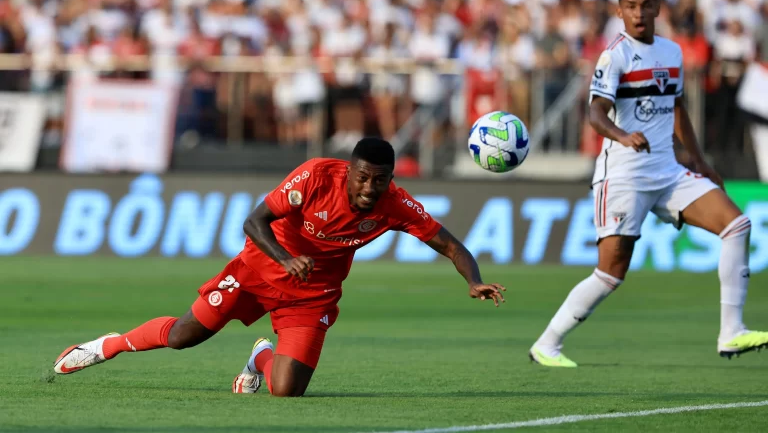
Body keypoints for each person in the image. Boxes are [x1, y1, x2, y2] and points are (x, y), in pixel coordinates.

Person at [54, 138, 506, 396]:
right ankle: (107, 346)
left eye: (380, 179)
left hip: (313, 295)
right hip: (258, 270)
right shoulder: (314, 176)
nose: (371, 187)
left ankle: (259, 356)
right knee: (182, 337)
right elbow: (254, 221)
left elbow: (449, 244)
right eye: (363, 176)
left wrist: (475, 280)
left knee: (286, 392)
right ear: (348, 170)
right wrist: (286, 258)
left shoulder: (395, 205)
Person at [529, 0, 768, 368]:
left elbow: (677, 109)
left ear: (658, 9)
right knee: (611, 272)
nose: (639, 13)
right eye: (631, 6)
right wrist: (622, 135)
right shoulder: (615, 56)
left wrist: (700, 160)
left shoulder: (672, 52)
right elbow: (594, 113)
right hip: (623, 176)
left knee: (737, 225)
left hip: (668, 171)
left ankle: (732, 332)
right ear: (620, 11)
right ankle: (548, 343)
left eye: (646, 5)